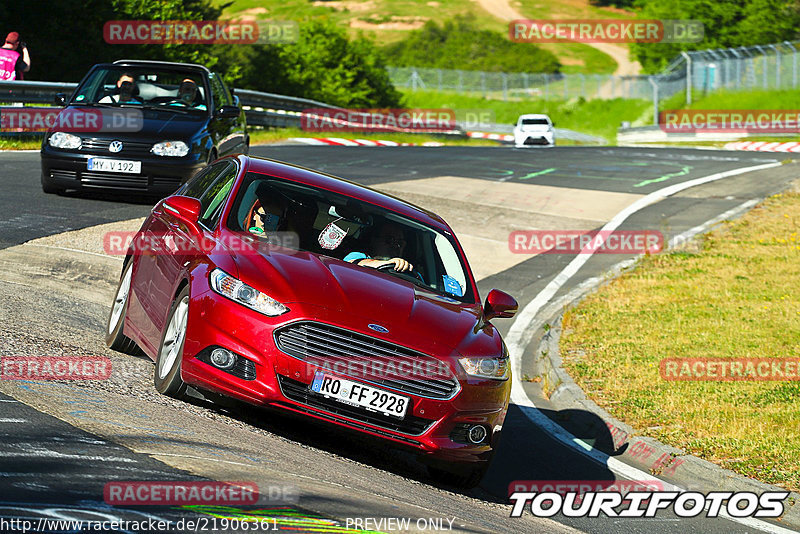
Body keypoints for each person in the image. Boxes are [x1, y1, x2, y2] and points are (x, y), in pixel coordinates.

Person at [344, 222, 414, 272]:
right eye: (389, 240)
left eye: (400, 243)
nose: (395, 246)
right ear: (374, 240)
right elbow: (353, 264)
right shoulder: (358, 255)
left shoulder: (409, 270)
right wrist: (389, 263)